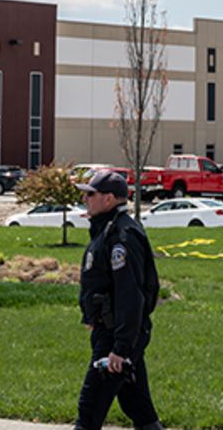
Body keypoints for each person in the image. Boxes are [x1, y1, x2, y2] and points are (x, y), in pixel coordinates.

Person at [75, 170, 163, 430]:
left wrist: (121, 348)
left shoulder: (123, 237)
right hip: (110, 331)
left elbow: (130, 295)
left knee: (89, 410)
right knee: (138, 406)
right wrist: (90, 316)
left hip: (117, 337)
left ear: (109, 199)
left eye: (91, 194)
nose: (84, 198)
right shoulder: (106, 230)